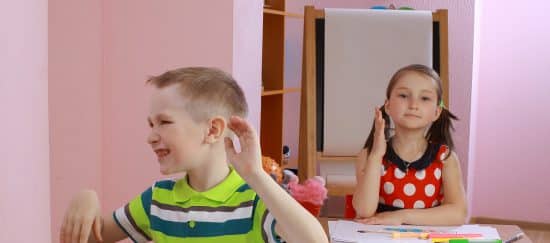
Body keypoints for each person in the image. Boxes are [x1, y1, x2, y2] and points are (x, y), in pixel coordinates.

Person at [60, 67, 328, 243]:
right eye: (150, 124)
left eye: (163, 123)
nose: (151, 136)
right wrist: (87, 198)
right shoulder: (157, 200)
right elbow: (87, 238)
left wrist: (256, 175)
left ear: (212, 129)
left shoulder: (254, 203)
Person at [353, 64, 467, 225]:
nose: (413, 104)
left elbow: (458, 213)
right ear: (388, 105)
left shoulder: (445, 158)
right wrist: (376, 155)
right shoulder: (370, 154)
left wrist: (402, 216)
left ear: (436, 112)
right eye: (403, 95)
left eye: (425, 98)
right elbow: (364, 211)